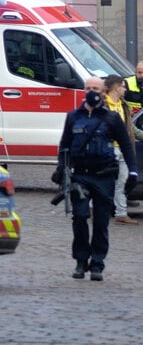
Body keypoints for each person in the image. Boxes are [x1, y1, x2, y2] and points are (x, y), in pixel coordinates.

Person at [53, 76, 138, 281]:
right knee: (80, 217)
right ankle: (81, 261)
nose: (92, 91)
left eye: (96, 88)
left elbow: (126, 144)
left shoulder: (111, 118)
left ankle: (97, 263)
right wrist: (60, 169)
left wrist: (133, 171)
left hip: (104, 176)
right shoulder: (73, 116)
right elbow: (64, 144)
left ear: (104, 91)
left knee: (101, 222)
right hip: (80, 175)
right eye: (88, 88)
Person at [103, 74, 137, 225]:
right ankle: (95, 209)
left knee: (122, 181)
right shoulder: (103, 105)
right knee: (102, 181)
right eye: (123, 86)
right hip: (107, 149)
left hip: (123, 148)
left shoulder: (124, 105)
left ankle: (121, 213)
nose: (125, 89)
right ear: (116, 88)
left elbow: (131, 128)